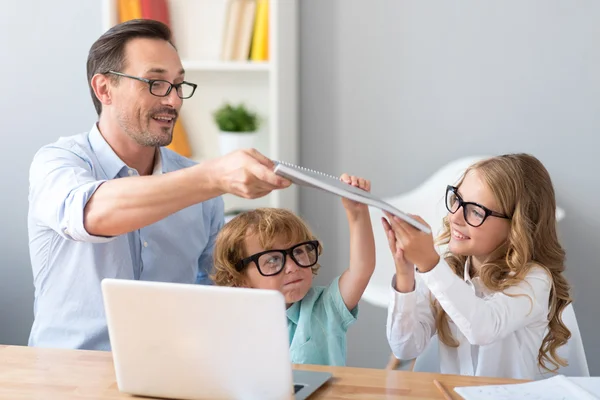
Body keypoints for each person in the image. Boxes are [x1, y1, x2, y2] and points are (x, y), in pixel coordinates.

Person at [27, 19, 290, 351]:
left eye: (178, 85)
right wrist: (213, 176)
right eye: (155, 83)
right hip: (67, 376)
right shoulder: (58, 162)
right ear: (104, 89)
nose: (174, 100)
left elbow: (214, 292)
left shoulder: (202, 192)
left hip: (170, 372)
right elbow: (92, 214)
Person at [382, 153, 571, 379]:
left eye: (476, 211)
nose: (455, 217)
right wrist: (405, 273)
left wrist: (429, 264)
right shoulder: (447, 271)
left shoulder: (534, 280)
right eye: (457, 200)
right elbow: (405, 347)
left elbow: (483, 327)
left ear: (517, 227)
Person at [211, 174, 376, 366]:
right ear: (240, 278)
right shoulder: (231, 324)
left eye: (298, 251)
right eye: (273, 259)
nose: (292, 266)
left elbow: (361, 269)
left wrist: (357, 213)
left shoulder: (325, 308)